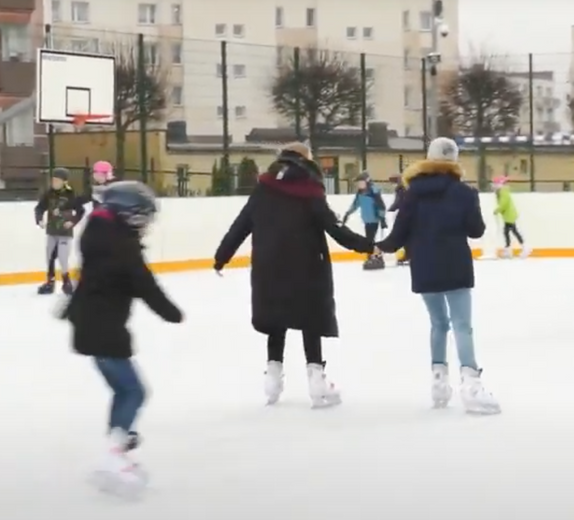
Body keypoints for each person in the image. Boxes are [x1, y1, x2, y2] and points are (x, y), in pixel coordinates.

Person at [213, 142, 376, 406]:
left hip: (268, 266)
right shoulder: (310, 189)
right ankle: (316, 381)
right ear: (306, 160)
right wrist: (370, 246)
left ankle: (273, 378)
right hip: (306, 266)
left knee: (275, 319)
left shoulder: (263, 187)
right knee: (310, 319)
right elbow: (334, 228)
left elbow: (241, 224)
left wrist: (222, 257)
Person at [59, 181, 183, 496]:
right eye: (141, 218)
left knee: (122, 390)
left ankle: (117, 449)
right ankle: (114, 455)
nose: (145, 226)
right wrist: (172, 313)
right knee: (134, 391)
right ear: (127, 215)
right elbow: (144, 284)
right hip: (103, 327)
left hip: (94, 322)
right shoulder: (120, 246)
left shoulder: (101, 234)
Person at [375, 137, 500, 414]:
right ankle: (472, 386)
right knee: (462, 325)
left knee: (438, 324)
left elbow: (398, 236)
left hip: (424, 266)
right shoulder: (465, 193)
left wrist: (377, 246)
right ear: (454, 160)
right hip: (455, 265)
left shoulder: (411, 193)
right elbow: (476, 230)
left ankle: (439, 383)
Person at [34, 167, 85, 295]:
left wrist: (72, 222)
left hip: (64, 232)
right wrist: (39, 219)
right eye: (53, 180)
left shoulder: (71, 194)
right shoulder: (49, 193)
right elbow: (39, 208)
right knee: (50, 256)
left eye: (57, 180)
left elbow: (80, 211)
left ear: (64, 181)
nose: (54, 183)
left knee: (63, 257)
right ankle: (50, 282)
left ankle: (66, 281)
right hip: (52, 230)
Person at [343, 171, 387, 248]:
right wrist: (348, 213)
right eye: (358, 183)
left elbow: (381, 205)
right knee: (369, 240)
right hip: (366, 220)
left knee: (369, 240)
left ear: (367, 181)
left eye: (360, 182)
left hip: (374, 219)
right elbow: (355, 204)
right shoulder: (360, 193)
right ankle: (373, 256)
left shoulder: (374, 191)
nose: (358, 184)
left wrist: (382, 218)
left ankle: (374, 256)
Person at [492, 175, 531, 258]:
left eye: (495, 184)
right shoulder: (501, 192)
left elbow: (503, 203)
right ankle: (510, 249)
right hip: (508, 215)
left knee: (511, 231)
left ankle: (522, 248)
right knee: (508, 231)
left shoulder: (503, 191)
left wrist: (497, 210)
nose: (494, 186)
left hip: (510, 215)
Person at [387, 174, 409, 266]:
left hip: (404, 214)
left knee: (405, 236)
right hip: (405, 213)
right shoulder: (403, 189)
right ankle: (408, 254)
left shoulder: (401, 189)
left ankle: (408, 255)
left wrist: (391, 208)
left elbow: (399, 201)